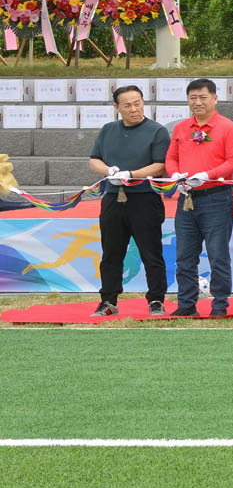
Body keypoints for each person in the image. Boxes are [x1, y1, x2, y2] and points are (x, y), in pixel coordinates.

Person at [164, 77, 233, 318]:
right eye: (193, 98)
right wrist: (174, 174)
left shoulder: (228, 127)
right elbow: (171, 158)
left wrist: (208, 175)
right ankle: (186, 303)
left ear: (215, 98)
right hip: (187, 198)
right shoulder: (181, 128)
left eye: (203, 97)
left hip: (216, 198)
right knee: (184, 255)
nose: (197, 102)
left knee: (218, 254)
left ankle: (220, 304)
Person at [87, 83, 169, 316]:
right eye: (127, 105)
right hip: (113, 197)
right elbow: (94, 160)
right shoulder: (108, 130)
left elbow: (160, 165)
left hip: (144, 198)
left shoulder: (157, 131)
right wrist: (108, 171)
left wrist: (132, 174)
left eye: (138, 103)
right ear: (117, 107)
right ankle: (108, 300)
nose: (134, 109)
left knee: (151, 252)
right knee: (111, 252)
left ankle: (156, 299)